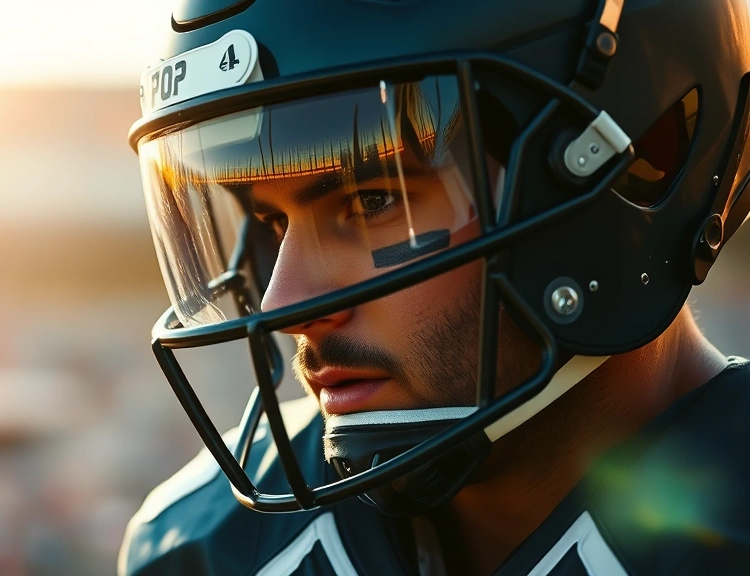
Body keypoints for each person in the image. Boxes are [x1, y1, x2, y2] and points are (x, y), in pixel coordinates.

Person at [119, 0, 750, 573]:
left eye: (373, 200)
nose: (283, 305)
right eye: (274, 224)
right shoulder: (204, 548)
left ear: (626, 162)